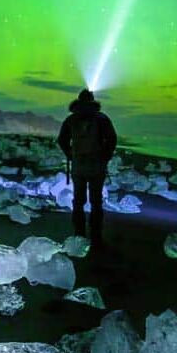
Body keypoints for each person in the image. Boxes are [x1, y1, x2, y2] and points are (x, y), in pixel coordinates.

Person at [57, 89, 117, 246]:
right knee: (96, 202)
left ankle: (79, 234)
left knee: (78, 201)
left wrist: (70, 154)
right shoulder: (101, 118)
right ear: (92, 101)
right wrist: (105, 156)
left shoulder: (71, 119)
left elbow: (61, 140)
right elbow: (112, 139)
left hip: (78, 166)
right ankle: (96, 235)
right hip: (96, 166)